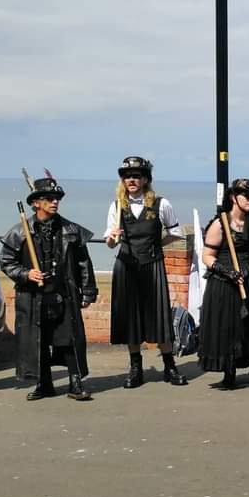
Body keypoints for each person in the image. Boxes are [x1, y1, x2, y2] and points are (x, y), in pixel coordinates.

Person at [0, 177, 97, 401]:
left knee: (69, 339)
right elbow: (6, 262)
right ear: (36, 203)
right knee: (38, 340)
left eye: (57, 199)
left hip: (64, 293)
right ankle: (44, 384)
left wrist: (88, 291)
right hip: (33, 297)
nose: (55, 202)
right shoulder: (19, 232)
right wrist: (26, 274)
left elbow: (84, 263)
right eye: (49, 199)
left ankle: (75, 383)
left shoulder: (71, 229)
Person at [104, 156, 188, 388]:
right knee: (130, 318)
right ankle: (135, 368)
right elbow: (110, 242)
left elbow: (175, 232)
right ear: (123, 180)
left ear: (145, 179)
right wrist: (112, 239)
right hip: (126, 266)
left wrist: (156, 244)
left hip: (152, 265)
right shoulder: (117, 206)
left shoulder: (162, 204)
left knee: (158, 315)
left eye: (136, 175)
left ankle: (170, 367)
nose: (131, 179)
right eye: (127, 176)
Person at [197, 175, 249, 390]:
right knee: (229, 329)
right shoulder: (220, 223)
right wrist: (226, 271)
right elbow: (207, 256)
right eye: (247, 196)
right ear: (234, 197)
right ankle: (229, 374)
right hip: (225, 284)